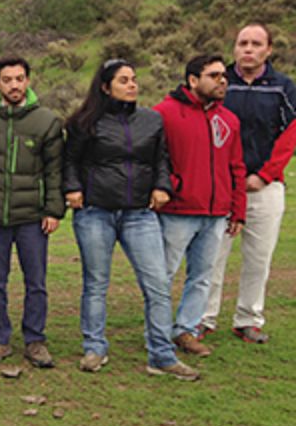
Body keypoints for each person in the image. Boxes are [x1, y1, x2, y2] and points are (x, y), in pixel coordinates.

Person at [63, 59, 198, 380]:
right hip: (95, 212)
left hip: (140, 213)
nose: (132, 85)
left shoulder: (151, 120)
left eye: (134, 79)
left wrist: (162, 186)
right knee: (96, 284)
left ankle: (162, 355)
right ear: (106, 87)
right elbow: (70, 161)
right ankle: (95, 348)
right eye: (124, 80)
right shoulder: (85, 123)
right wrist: (72, 189)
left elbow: (161, 159)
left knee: (157, 284)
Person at [204, 24, 296, 344]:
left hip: (263, 186)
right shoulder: (218, 82)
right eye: (242, 42)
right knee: (212, 254)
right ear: (234, 48)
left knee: (259, 256)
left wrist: (266, 174)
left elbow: (290, 135)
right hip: (221, 186)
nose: (248, 49)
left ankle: (248, 319)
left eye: (256, 44)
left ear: (268, 50)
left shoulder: (283, 87)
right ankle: (203, 318)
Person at [0, 56, 63, 369]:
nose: (14, 85)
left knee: (35, 280)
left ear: (28, 81)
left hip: (32, 216)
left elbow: (54, 171)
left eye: (20, 79)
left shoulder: (47, 121)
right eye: (7, 79)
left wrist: (53, 209)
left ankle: (35, 339)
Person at [156, 56, 246, 358]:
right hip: (177, 212)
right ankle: (156, 333)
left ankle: (187, 330)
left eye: (224, 76)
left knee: (202, 275)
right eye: (214, 75)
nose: (222, 81)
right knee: (163, 275)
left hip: (216, 213)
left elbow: (236, 166)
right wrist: (171, 185)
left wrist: (238, 209)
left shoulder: (229, 120)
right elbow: (154, 160)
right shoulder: (164, 114)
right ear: (193, 80)